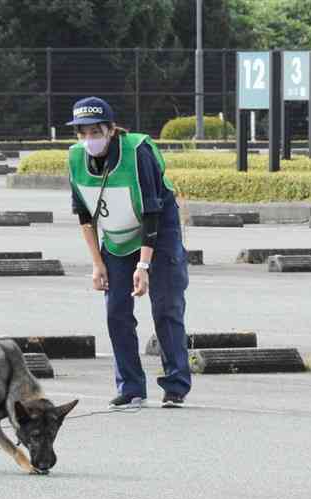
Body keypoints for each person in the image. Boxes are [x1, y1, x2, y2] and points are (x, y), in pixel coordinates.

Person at [66, 96, 191, 409]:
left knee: (166, 307)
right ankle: (131, 387)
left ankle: (175, 385)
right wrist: (97, 264)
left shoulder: (138, 152)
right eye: (82, 133)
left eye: (95, 132)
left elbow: (152, 211)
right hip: (118, 236)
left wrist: (144, 266)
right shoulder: (76, 159)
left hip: (159, 233)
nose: (88, 139)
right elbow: (84, 215)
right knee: (116, 312)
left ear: (111, 130)